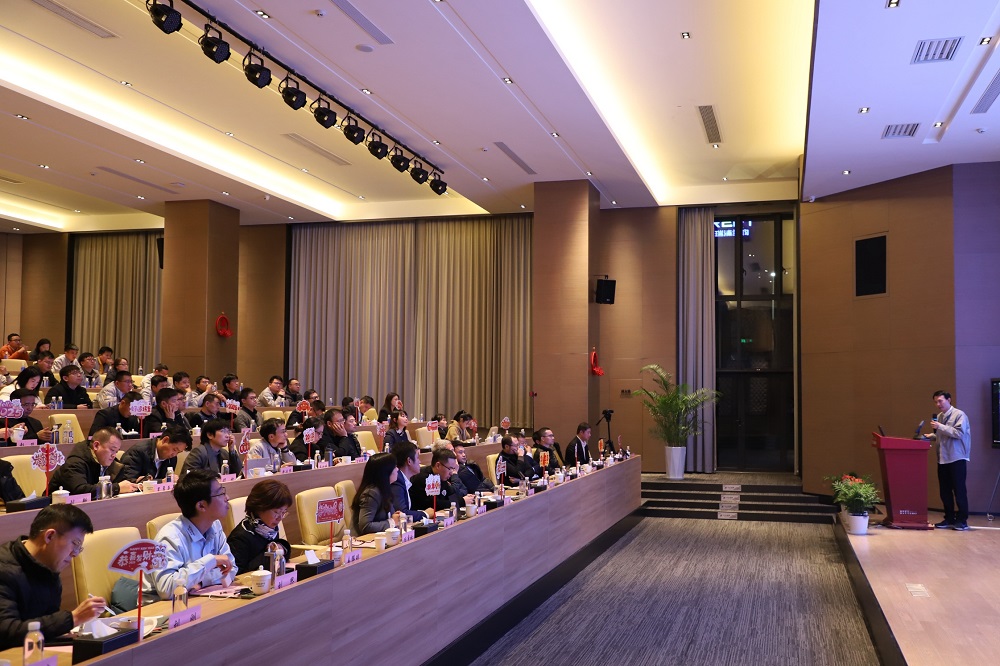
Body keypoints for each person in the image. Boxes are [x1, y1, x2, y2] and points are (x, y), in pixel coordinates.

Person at [0, 504, 105, 650]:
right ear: (50, 536)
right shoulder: (4, 569)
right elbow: (6, 632)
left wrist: (60, 635)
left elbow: (46, 621)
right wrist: (73, 618)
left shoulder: (48, 566)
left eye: (79, 548)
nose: (75, 553)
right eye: (75, 544)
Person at [144, 469, 235, 601]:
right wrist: (211, 561)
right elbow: (167, 589)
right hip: (160, 608)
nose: (227, 498)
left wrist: (200, 582)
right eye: (221, 493)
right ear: (201, 506)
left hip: (196, 599)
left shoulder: (215, 525)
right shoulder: (169, 537)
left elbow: (231, 568)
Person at [923, 390, 972, 530]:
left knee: (959, 490)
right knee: (945, 491)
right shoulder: (940, 416)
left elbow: (959, 433)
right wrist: (932, 436)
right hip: (943, 458)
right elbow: (943, 435)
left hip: (956, 457)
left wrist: (940, 427)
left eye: (940, 401)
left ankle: (962, 520)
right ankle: (949, 518)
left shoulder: (959, 415)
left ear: (949, 400)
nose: (938, 404)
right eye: (936, 402)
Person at [226, 479, 292, 574]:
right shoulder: (240, 537)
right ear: (260, 508)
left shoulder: (269, 529)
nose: (280, 518)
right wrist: (271, 553)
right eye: (276, 512)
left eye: (284, 512)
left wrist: (281, 547)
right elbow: (236, 574)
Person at [47, 428, 137, 496]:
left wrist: (136, 482)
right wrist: (116, 488)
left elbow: (121, 480)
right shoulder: (75, 462)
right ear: (96, 445)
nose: (114, 455)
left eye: (116, 452)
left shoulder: (104, 459)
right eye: (112, 450)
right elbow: (79, 490)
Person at [115, 425, 190, 483]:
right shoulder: (138, 452)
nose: (175, 454)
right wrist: (161, 482)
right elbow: (128, 481)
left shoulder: (172, 458)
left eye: (178, 452)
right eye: (174, 450)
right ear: (165, 440)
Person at [351, 453, 402, 535]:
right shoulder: (371, 493)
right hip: (364, 540)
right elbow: (365, 526)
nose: (397, 469)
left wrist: (395, 517)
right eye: (394, 467)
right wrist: (392, 521)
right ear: (385, 472)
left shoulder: (385, 488)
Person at [390, 441, 434, 521]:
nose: (420, 462)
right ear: (409, 461)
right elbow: (401, 514)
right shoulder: (397, 481)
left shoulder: (406, 479)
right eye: (417, 458)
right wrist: (425, 514)